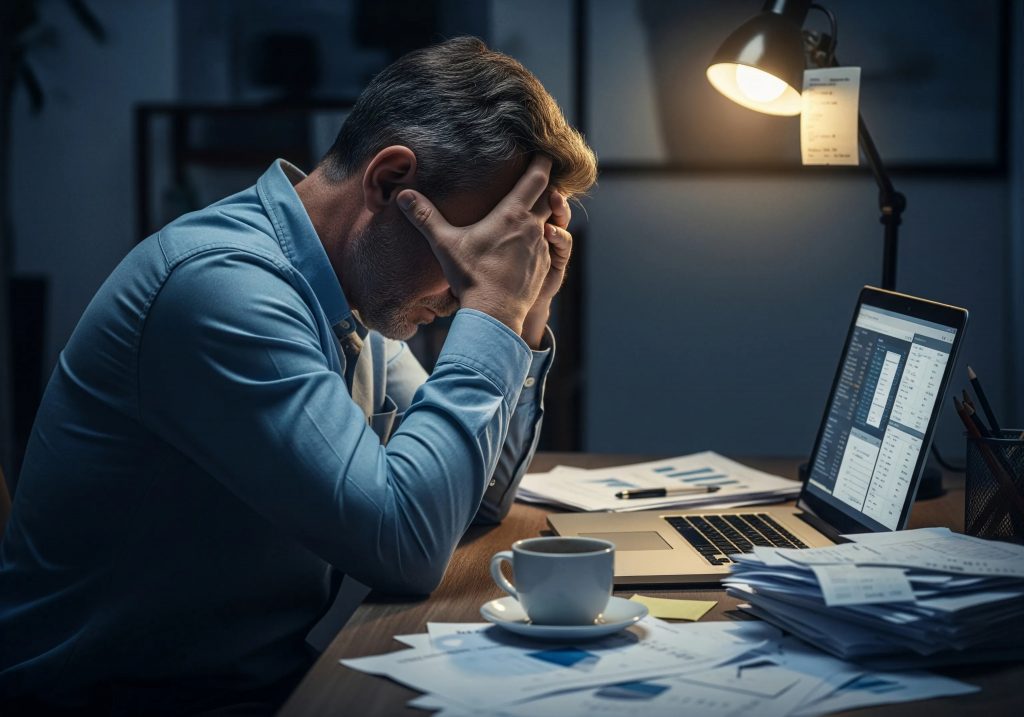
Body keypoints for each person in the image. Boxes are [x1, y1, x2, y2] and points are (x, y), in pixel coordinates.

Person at [0, 37, 597, 715]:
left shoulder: (349, 295)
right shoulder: (223, 289)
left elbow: (476, 499)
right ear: (390, 181)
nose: (468, 287)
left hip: (250, 686)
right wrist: (491, 312)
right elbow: (404, 541)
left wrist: (520, 320)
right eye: (474, 252)